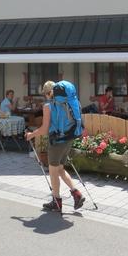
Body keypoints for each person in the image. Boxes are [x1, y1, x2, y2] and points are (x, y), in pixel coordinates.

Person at [24, 80, 85, 213]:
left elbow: (45, 129)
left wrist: (31, 135)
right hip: (69, 137)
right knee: (60, 169)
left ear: (48, 93)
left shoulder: (48, 106)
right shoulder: (68, 102)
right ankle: (76, 194)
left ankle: (56, 202)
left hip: (57, 141)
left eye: (45, 94)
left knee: (53, 172)